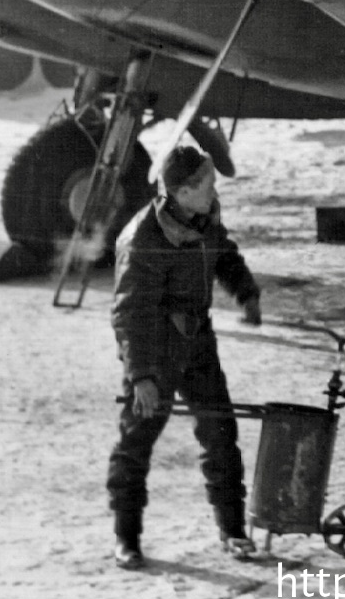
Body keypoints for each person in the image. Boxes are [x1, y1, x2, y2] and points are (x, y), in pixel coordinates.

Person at [107, 146, 262, 570]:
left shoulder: (205, 216)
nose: (215, 190)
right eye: (208, 184)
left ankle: (232, 531)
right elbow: (130, 313)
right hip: (156, 350)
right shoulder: (142, 239)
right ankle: (127, 538)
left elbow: (224, 254)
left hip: (198, 342)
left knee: (220, 434)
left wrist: (245, 291)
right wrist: (141, 376)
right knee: (136, 441)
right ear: (183, 190)